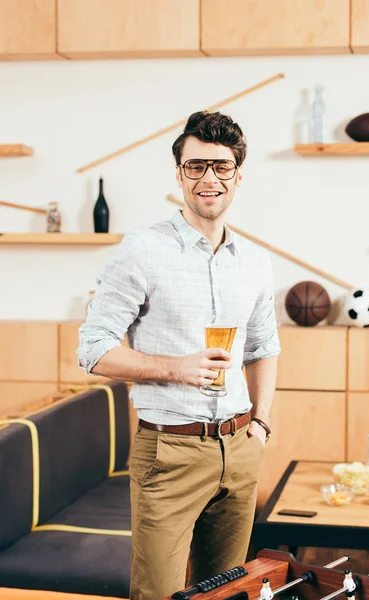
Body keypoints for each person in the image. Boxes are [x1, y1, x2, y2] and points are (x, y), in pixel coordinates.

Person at [78, 110, 281, 600]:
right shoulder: (143, 249)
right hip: (168, 452)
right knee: (158, 595)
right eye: (196, 167)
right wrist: (176, 367)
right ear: (179, 174)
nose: (208, 178)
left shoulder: (255, 261)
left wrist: (261, 425)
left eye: (221, 166)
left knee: (228, 591)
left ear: (237, 175)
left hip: (239, 448)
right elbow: (93, 349)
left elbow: (263, 346)